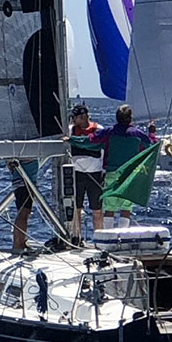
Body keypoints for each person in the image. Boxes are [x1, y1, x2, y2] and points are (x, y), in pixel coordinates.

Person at [92, 105, 153, 225]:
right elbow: (152, 147)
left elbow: (91, 141)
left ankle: (109, 236)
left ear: (116, 118)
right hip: (129, 175)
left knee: (109, 208)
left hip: (112, 174)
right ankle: (123, 234)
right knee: (126, 208)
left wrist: (72, 139)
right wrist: (151, 133)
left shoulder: (109, 133)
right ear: (130, 118)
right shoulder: (138, 135)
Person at [66, 104, 103, 245]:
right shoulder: (70, 131)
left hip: (95, 173)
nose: (73, 121)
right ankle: (76, 237)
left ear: (83, 117)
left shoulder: (98, 130)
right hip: (77, 173)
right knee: (77, 207)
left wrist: (104, 172)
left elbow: (104, 151)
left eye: (75, 118)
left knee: (97, 209)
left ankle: (99, 239)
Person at [7, 158, 39, 256]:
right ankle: (18, 244)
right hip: (24, 182)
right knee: (23, 213)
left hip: (24, 181)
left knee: (24, 213)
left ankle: (21, 241)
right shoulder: (24, 154)